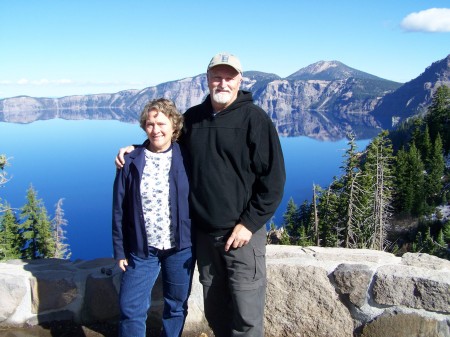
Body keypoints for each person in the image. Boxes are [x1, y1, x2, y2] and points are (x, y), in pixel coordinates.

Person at [116, 53, 286, 337]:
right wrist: (135, 149)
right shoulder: (193, 119)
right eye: (216, 77)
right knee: (215, 309)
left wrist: (249, 224)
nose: (222, 83)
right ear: (207, 80)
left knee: (246, 312)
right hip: (204, 236)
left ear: (239, 80)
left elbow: (274, 180)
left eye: (228, 77)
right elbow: (162, 140)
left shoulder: (255, 119)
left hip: (241, 234)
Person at [112, 98, 194, 337]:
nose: (155, 129)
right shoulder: (131, 160)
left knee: (176, 306)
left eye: (161, 123)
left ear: (173, 125)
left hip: (181, 247)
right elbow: (119, 208)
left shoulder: (187, 156)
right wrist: (119, 250)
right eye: (149, 124)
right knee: (131, 308)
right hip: (141, 248)